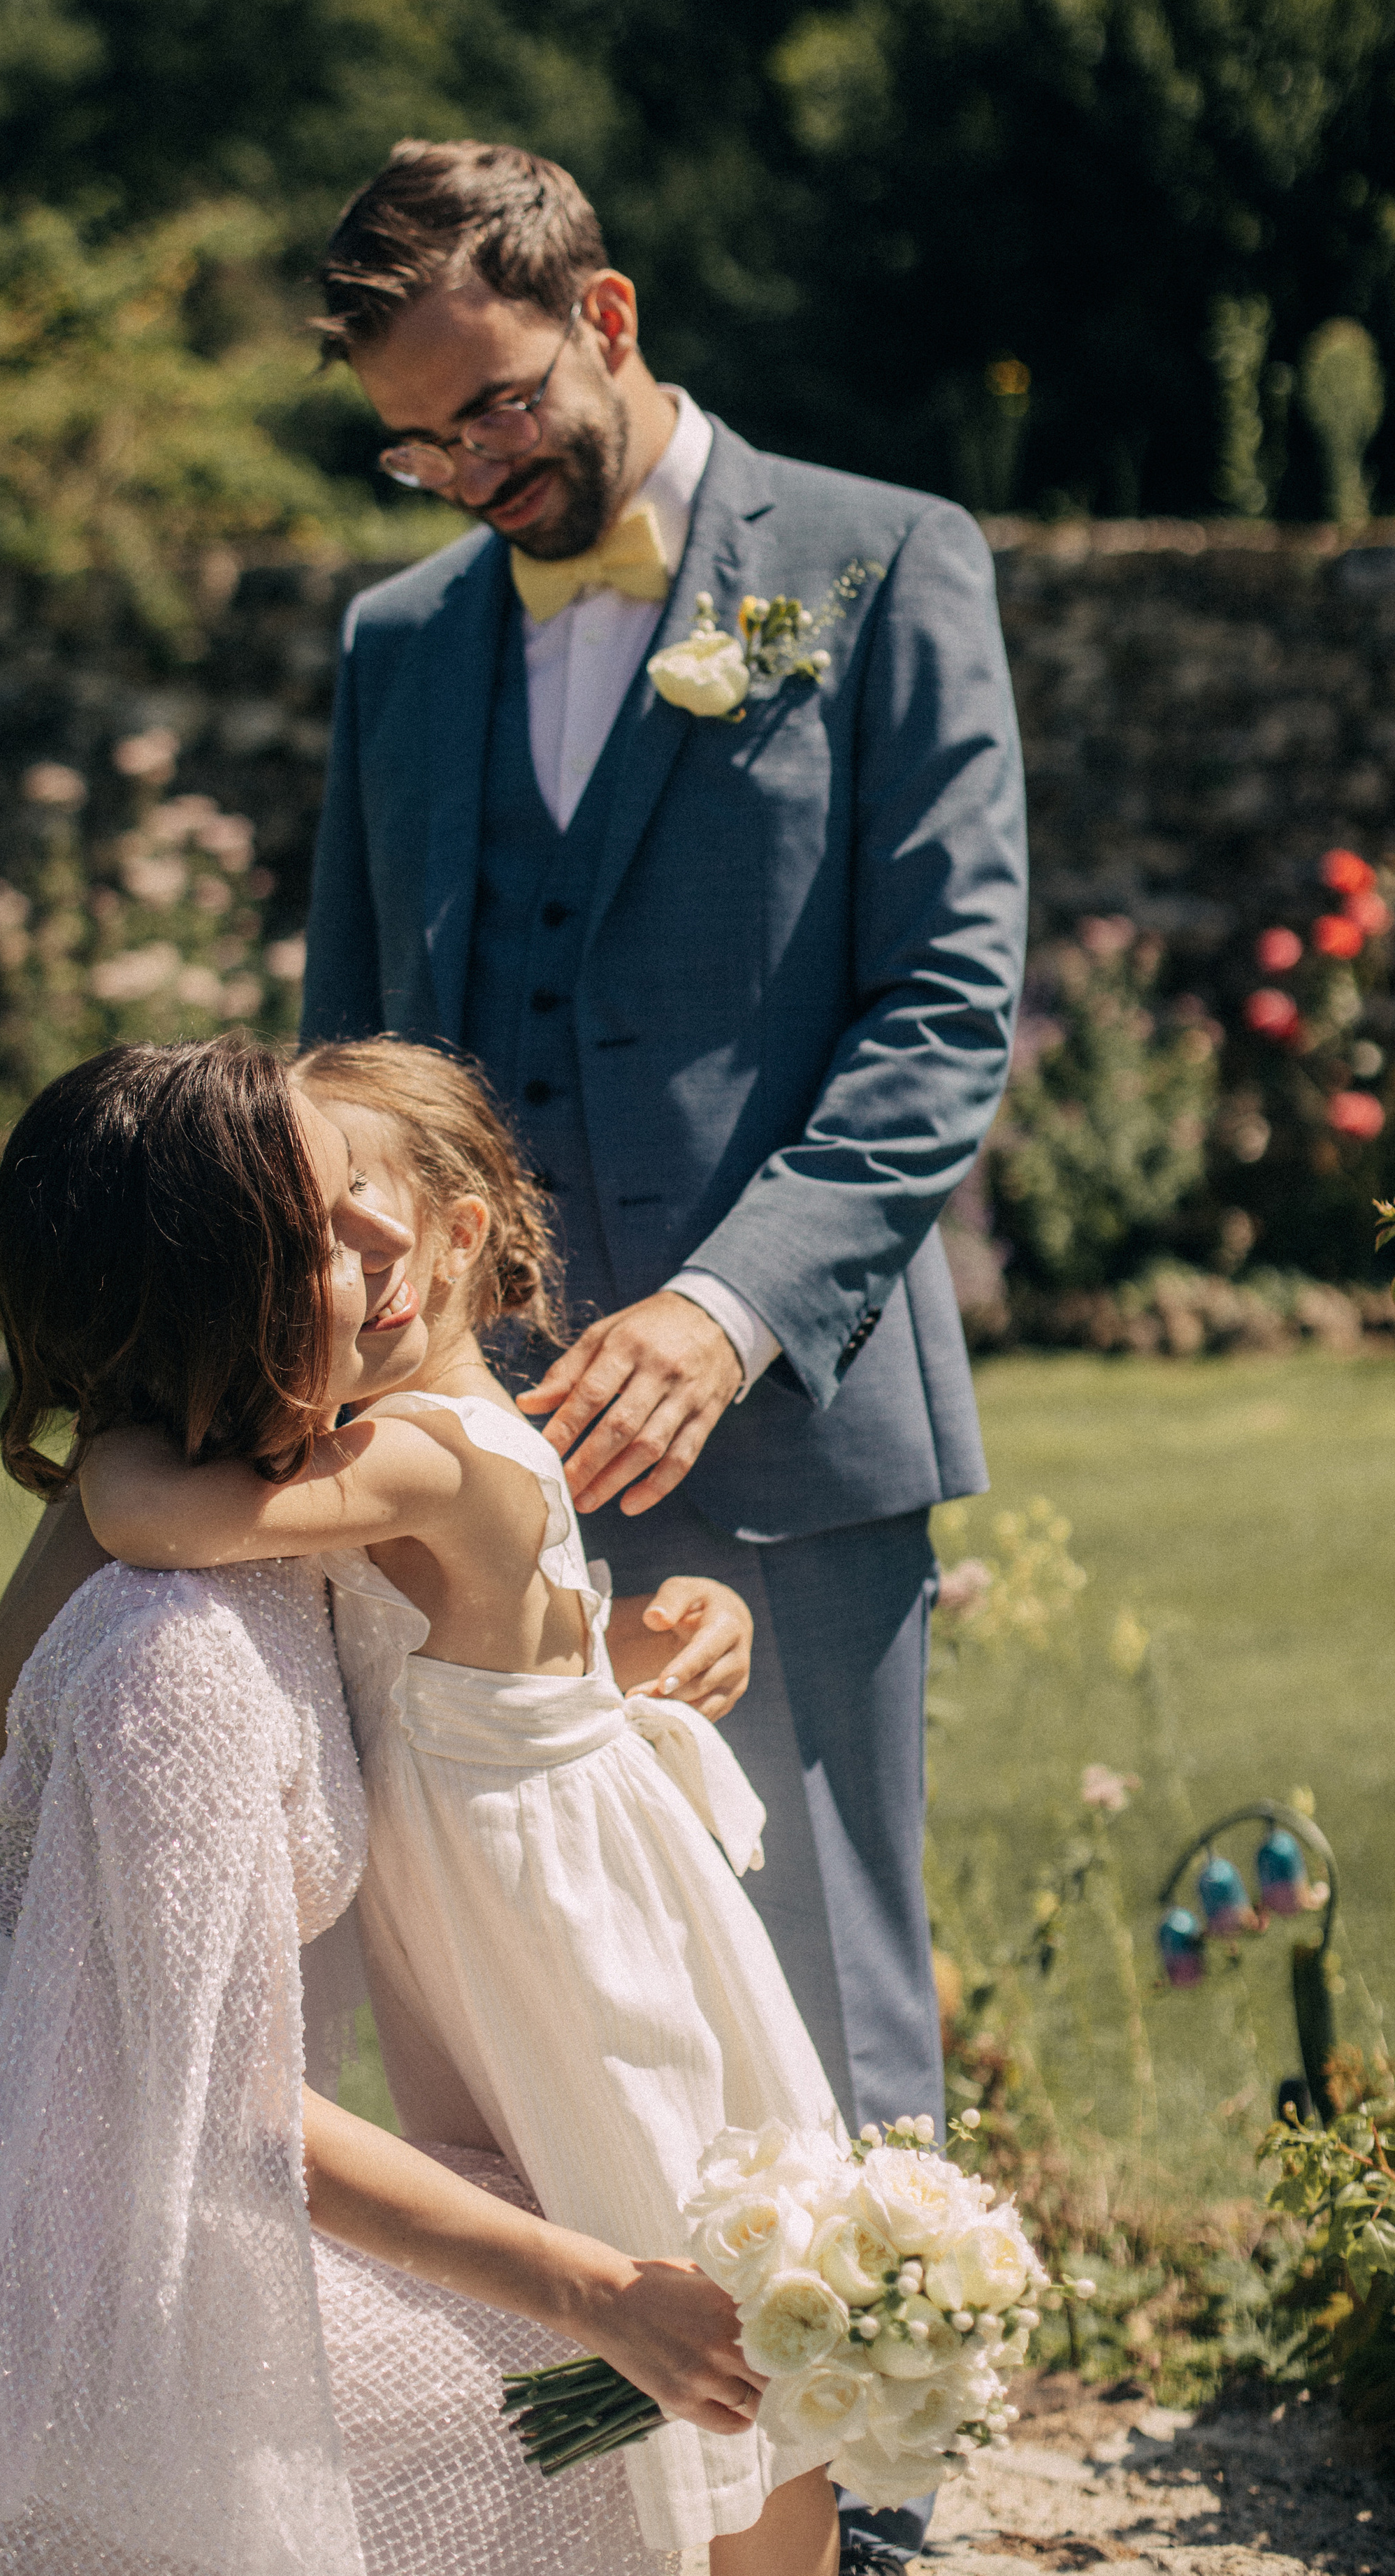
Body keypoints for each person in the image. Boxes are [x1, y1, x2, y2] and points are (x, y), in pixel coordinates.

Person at [299, 138, 1029, 2562]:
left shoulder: (890, 560)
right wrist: (379, 1378)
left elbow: (945, 1009)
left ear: (606, 312)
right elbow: (349, 1057)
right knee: (534, 2037)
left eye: (494, 406)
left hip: (792, 1423)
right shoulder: (401, 645)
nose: (471, 468)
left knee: (814, 2003)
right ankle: (612, 2524)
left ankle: (875, 2518)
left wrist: (729, 1309)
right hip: (469, 1465)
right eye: (420, 444)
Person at [0, 1038, 764, 2576]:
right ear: (215, 1289)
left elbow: (478, 1657)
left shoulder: (260, 1521)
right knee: (604, 2401)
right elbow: (216, 2103)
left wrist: (618, 1652)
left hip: (49, 2175)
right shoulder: (183, 1656)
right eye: (317, 1223)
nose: (381, 1237)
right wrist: (588, 2294)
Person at [83, 1034, 842, 2571]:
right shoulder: (453, 1446)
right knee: (615, 2260)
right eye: (288, 1246)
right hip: (508, 1904)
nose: (326, 1275)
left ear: (456, 1235)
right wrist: (663, 1632)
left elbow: (154, 1516)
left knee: (645, 2229)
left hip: (552, 1943)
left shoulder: (428, 1455)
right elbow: (539, 1657)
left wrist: (105, 1408)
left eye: (356, 1225)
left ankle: (762, 2547)